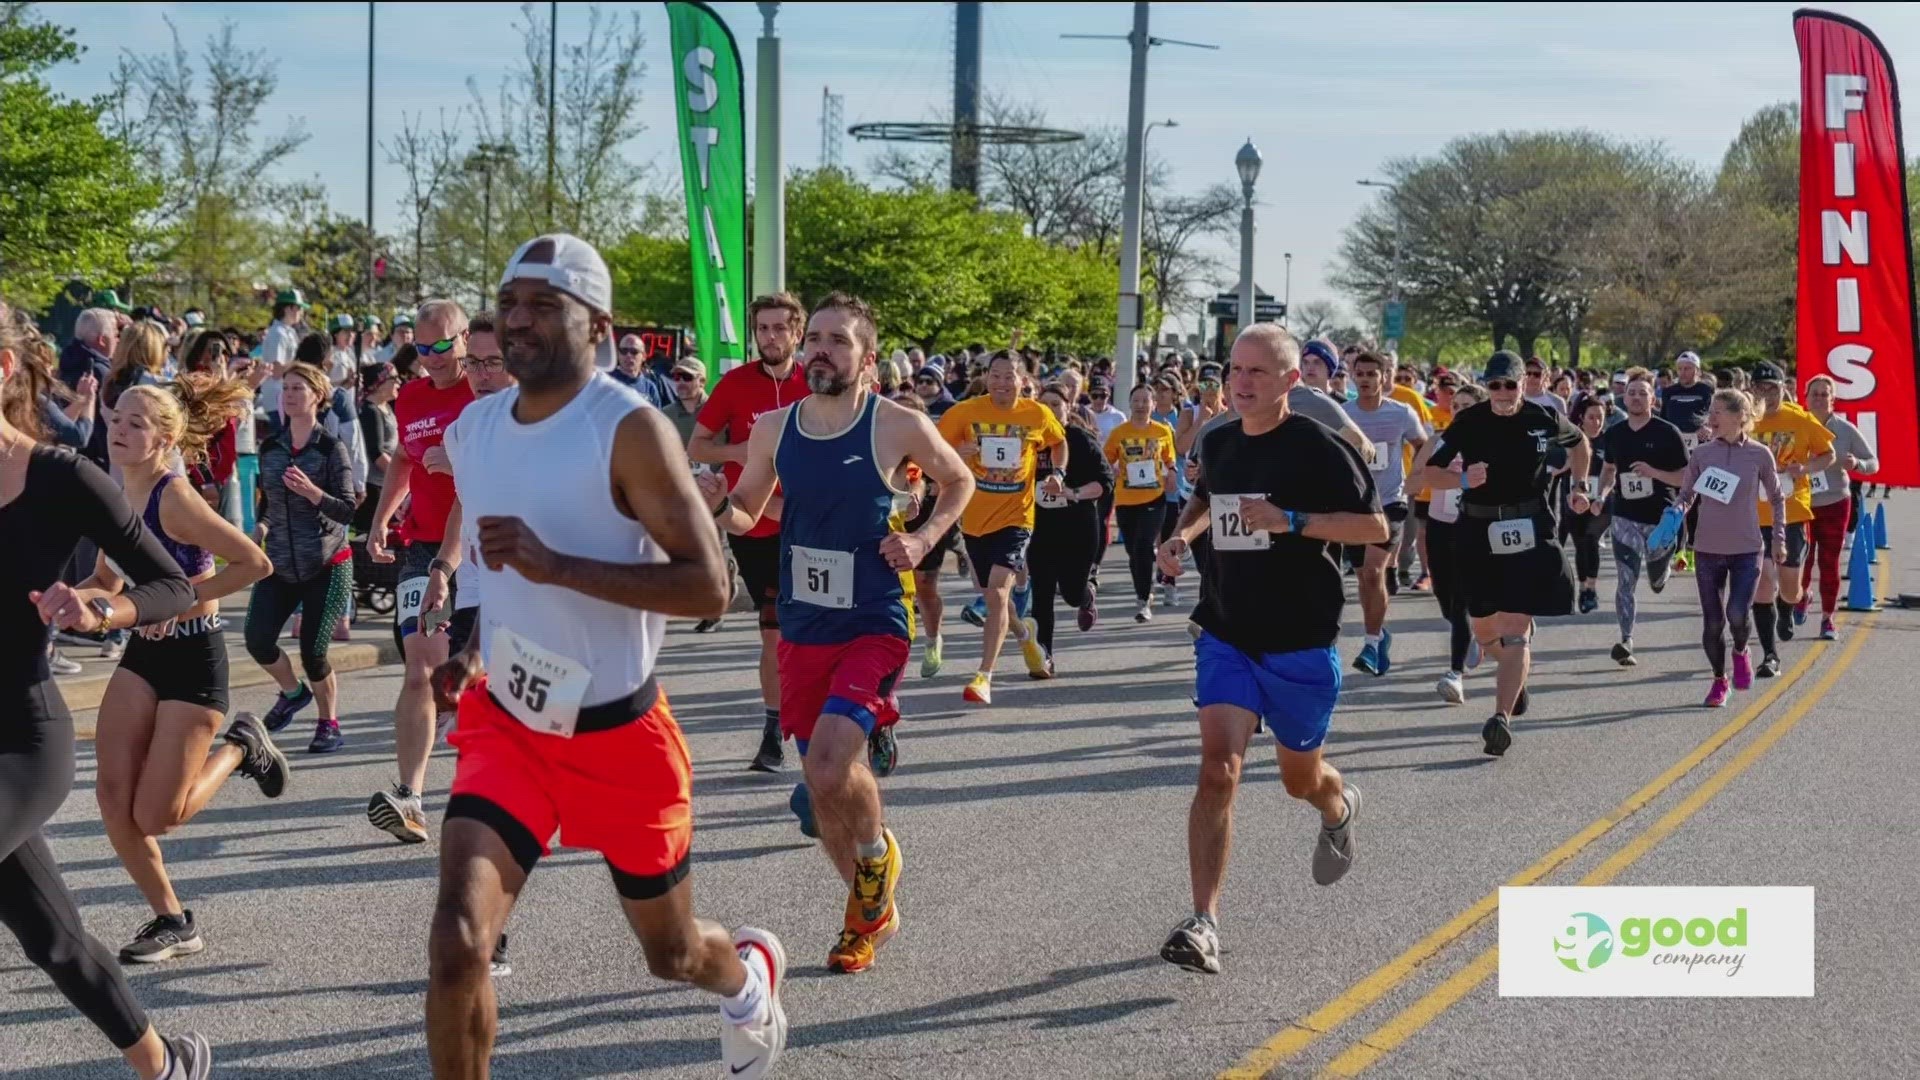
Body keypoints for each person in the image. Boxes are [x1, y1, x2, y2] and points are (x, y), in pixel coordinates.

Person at [423, 234, 785, 1078]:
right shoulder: (477, 430)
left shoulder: (627, 428)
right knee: (458, 941)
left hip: (620, 740)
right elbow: (495, 572)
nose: (517, 322)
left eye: (543, 306)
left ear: (599, 325)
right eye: (510, 302)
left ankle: (746, 981)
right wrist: (470, 651)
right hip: (510, 727)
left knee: (673, 954)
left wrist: (557, 565)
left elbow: (708, 587)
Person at [705, 290, 971, 977]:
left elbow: (959, 478)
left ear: (867, 358)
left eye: (837, 340)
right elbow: (747, 511)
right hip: (802, 621)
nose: (821, 349)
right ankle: (871, 907)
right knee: (824, 787)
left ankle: (872, 873)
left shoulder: (896, 425)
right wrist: (714, 507)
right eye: (815, 337)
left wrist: (925, 536)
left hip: (875, 620)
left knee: (826, 766)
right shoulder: (773, 428)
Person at [1, 317, 213, 1078]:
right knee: (51, 937)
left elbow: (171, 583)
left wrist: (103, 610)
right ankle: (164, 1065)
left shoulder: (60, 476)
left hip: (20, 739)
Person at [1151, 323, 1387, 974]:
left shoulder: (1318, 447)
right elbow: (1204, 497)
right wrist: (1179, 537)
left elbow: (1375, 527)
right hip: (1227, 627)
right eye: (1235, 370)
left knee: (1298, 779)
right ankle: (1204, 922)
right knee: (1218, 767)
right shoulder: (1219, 438)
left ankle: (1337, 806)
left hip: (1301, 639)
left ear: (1291, 381)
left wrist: (1293, 522)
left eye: (1258, 372)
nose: (1242, 382)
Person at [89, 375, 280, 964]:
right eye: (117, 417)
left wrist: (179, 600)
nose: (120, 430)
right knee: (111, 795)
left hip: (195, 656)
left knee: (155, 815)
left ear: (163, 438)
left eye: (136, 425)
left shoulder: (173, 498)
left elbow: (254, 563)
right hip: (143, 657)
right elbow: (105, 582)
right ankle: (172, 920)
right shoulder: (113, 493)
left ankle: (240, 748)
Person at [1420, 350, 1588, 757]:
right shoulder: (1468, 423)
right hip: (1478, 528)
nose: (1501, 393)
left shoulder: (1541, 418)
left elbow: (1580, 443)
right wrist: (1460, 476)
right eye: (1493, 385)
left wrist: (1581, 486)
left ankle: (1500, 719)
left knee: (1514, 627)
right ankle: (1516, 672)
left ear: (1523, 385)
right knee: (1484, 631)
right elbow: (1425, 474)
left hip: (1529, 526)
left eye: (1509, 385)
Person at [366, 300, 475, 841]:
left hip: (480, 546)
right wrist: (382, 518)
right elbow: (405, 460)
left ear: (463, 340)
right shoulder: (410, 396)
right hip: (422, 547)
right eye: (420, 348)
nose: (430, 358)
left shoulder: (483, 394)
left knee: (459, 680)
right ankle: (410, 796)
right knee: (421, 668)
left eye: (441, 346)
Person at [690, 293, 810, 772]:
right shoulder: (736, 384)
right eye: (763, 329)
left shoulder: (816, 382)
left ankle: (846, 719)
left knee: (811, 631)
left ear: (797, 334)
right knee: (773, 639)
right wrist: (746, 452)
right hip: (751, 524)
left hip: (808, 526)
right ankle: (774, 730)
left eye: (781, 328)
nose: (771, 337)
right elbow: (697, 443)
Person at [936, 350, 1064, 704]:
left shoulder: (1037, 413)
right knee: (995, 596)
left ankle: (984, 676)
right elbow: (935, 449)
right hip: (974, 520)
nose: (1002, 382)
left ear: (1023, 381)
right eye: (996, 375)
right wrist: (958, 453)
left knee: (995, 592)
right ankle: (1026, 636)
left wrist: (1057, 473)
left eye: (1010, 376)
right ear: (986, 376)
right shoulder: (965, 412)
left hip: (1017, 518)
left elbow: (1059, 442)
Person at [243, 363, 358, 754]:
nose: (288, 394)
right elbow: (268, 501)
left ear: (317, 396)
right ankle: (293, 693)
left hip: (326, 563)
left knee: (314, 650)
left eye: (298, 388)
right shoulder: (271, 447)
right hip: (279, 563)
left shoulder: (330, 448)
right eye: (285, 388)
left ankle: (329, 723)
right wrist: (260, 527)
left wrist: (313, 494)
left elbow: (347, 509)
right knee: (257, 640)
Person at [1674, 390, 1785, 706]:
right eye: (1711, 410)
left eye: (1719, 411)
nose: (1712, 416)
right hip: (1707, 549)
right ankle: (1719, 681)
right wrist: (1676, 512)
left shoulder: (1759, 454)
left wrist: (1778, 540)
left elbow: (1777, 498)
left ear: (1740, 417)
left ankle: (1741, 650)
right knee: (1712, 622)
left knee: (1737, 614)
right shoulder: (1702, 454)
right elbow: (1687, 497)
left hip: (1747, 549)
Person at [1747, 362, 1835, 675]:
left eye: (1774, 388)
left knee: (1788, 589)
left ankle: (1788, 606)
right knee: (1762, 582)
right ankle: (1770, 655)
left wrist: (1805, 468)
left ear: (1785, 388)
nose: (1768, 394)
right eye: (1761, 388)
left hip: (1792, 512)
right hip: (1753, 516)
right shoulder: (1745, 420)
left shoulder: (1800, 418)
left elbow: (1828, 455)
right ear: (1753, 389)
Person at [1596, 374, 1689, 665]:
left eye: (1642, 393)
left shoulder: (1667, 432)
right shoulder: (1615, 433)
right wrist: (1601, 496)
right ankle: (1626, 640)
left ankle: (1662, 568)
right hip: (1624, 515)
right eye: (1631, 393)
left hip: (1659, 518)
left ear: (1653, 400)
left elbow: (1686, 478)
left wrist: (1654, 473)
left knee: (1655, 576)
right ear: (1624, 398)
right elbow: (1609, 469)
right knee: (1626, 580)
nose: (1636, 397)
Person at [1342, 352, 1426, 674]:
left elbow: (1424, 444)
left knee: (1375, 572)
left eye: (1371, 374)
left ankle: (1371, 642)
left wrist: (1415, 477)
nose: (1364, 379)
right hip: (1355, 505)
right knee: (1364, 578)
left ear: (1383, 377)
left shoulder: (1401, 413)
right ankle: (1379, 635)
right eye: (1359, 373)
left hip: (1391, 502)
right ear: (1352, 376)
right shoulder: (1344, 414)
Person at [1411, 383, 1486, 703]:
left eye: (1467, 406)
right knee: (1444, 595)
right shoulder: (1437, 443)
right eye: (1456, 406)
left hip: (1474, 528)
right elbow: (1412, 481)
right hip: (1441, 527)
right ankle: (1470, 633)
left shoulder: (1488, 443)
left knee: (1461, 601)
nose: (1459, 411)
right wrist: (1439, 475)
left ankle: (1455, 673)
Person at [1029, 382, 1110, 663]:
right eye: (1044, 404)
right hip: (1039, 529)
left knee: (1071, 593)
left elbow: (1104, 483)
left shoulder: (1080, 440)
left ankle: (1085, 595)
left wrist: (1070, 492)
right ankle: (1043, 656)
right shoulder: (1030, 439)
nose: (1049, 409)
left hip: (1078, 527)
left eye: (1055, 404)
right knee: (1041, 594)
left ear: (1067, 408)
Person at [1800, 375, 1878, 639]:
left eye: (1825, 394)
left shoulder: (1845, 430)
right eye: (1816, 394)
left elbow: (1873, 462)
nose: (1820, 398)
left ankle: (1827, 618)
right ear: (1806, 397)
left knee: (1829, 562)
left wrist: (1856, 463)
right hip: (1801, 503)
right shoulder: (1796, 426)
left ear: (1833, 400)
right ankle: (1802, 596)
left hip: (1835, 502)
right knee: (1802, 560)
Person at [1104, 384, 1178, 622]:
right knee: (1133, 551)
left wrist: (1173, 471)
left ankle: (1144, 599)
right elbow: (1107, 460)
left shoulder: (1162, 431)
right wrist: (1111, 470)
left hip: (1154, 498)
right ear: (1130, 403)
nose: (1140, 405)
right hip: (1126, 500)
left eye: (1145, 401)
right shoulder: (1119, 433)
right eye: (1136, 400)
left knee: (1144, 546)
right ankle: (1144, 588)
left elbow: (1169, 458)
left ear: (1153, 404)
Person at [1560, 396, 1611, 615]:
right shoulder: (1570, 440)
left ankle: (1591, 586)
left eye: (1600, 418)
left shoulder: (1609, 441)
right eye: (1591, 417)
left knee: (1592, 537)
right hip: (1573, 498)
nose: (1596, 422)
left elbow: (1614, 472)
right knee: (1581, 543)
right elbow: (1557, 469)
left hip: (1600, 500)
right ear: (1581, 418)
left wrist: (1601, 496)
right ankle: (1583, 588)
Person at [355, 362, 400, 535]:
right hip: (375, 488)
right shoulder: (370, 411)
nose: (399, 382)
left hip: (387, 482)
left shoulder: (385, 406)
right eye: (394, 378)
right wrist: (403, 478)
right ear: (379, 383)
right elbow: (376, 453)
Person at [663, 355, 710, 444]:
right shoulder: (666, 415)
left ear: (702, 381)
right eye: (677, 377)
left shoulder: (719, 412)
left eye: (687, 377)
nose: (681, 382)